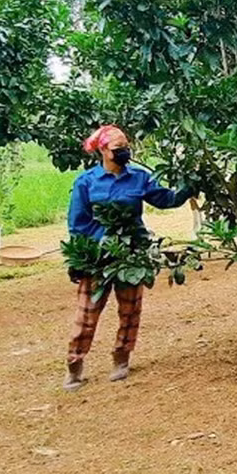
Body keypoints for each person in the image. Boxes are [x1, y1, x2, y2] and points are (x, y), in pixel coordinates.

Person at [63, 125, 194, 390]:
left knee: (130, 311)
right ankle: (74, 365)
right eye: (118, 148)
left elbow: (166, 199)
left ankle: (121, 359)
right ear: (102, 150)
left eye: (126, 146)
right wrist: (78, 260)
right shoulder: (86, 182)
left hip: (131, 255)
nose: (124, 152)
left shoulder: (139, 178)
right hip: (97, 259)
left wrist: (188, 186)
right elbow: (77, 224)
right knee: (87, 314)